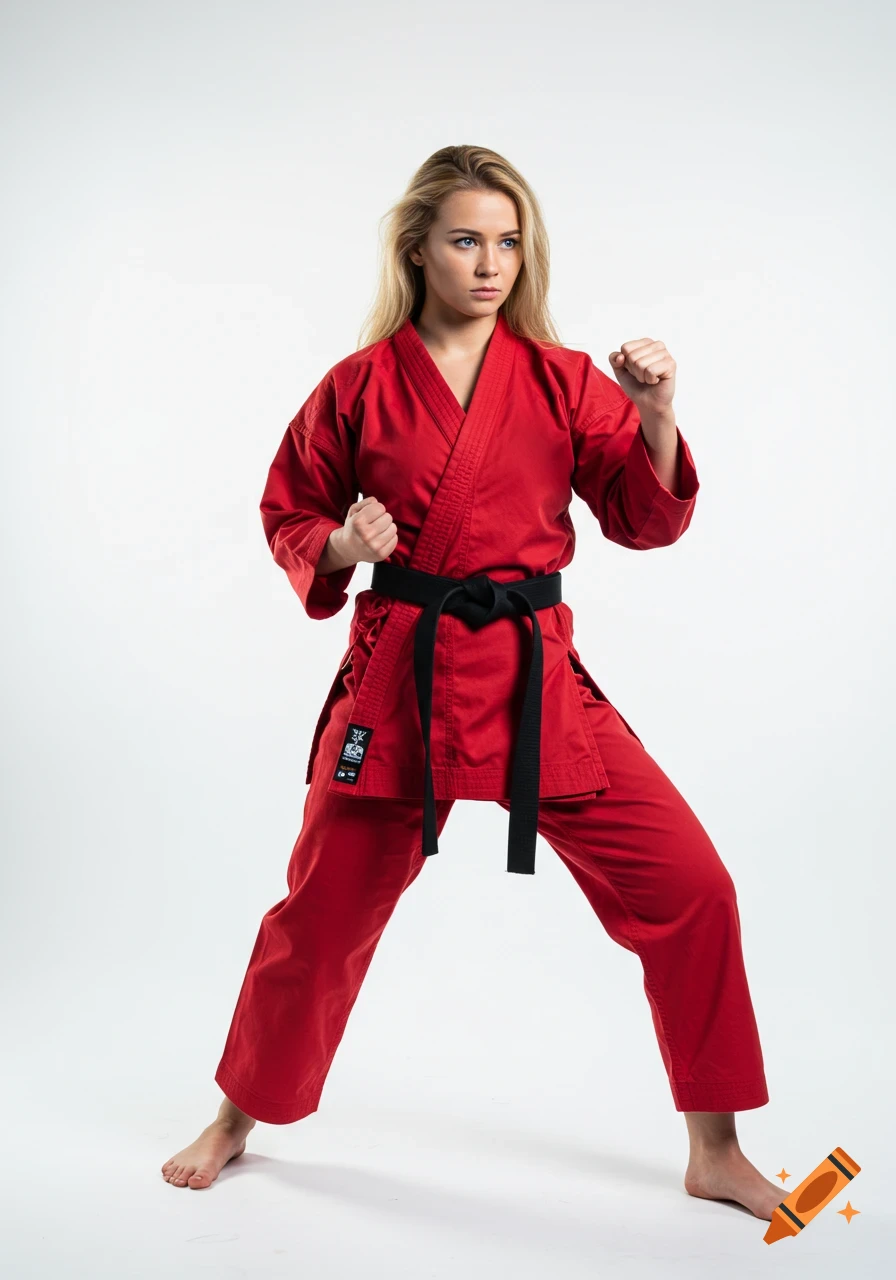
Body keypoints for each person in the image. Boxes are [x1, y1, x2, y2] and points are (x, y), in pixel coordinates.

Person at [162, 145, 780, 1220]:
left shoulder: (560, 377)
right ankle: (235, 1114)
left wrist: (656, 413)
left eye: (506, 241)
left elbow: (642, 517)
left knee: (691, 886)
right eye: (464, 239)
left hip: (534, 679)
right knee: (315, 918)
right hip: (401, 683)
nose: (489, 262)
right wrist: (347, 550)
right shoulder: (355, 385)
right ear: (417, 249)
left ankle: (713, 1145)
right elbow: (287, 512)